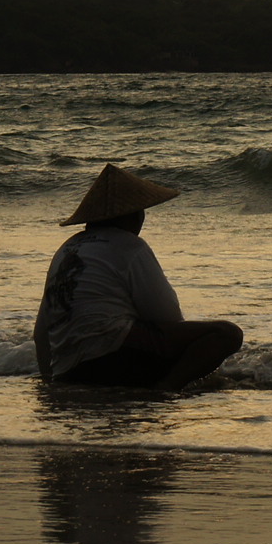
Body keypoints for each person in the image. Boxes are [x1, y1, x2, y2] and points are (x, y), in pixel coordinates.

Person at [35, 164, 243, 391]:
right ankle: (167, 387)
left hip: (69, 371)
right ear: (133, 215)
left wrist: (51, 380)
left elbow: (41, 333)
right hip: (114, 358)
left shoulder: (67, 249)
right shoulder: (129, 246)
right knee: (227, 334)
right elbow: (167, 315)